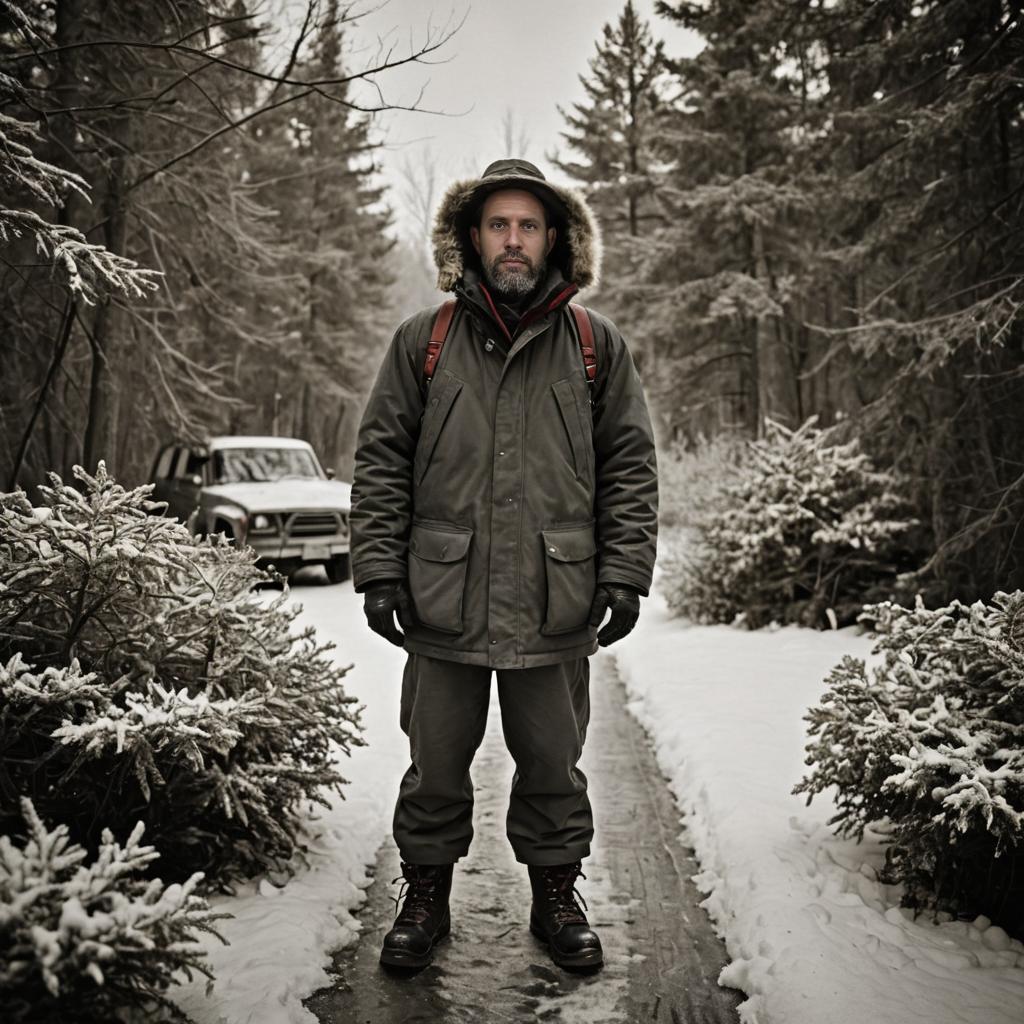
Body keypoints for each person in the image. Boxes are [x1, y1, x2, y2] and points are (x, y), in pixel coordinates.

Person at [350, 158, 658, 971]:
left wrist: (624, 573)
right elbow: (382, 459)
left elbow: (629, 464)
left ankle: (556, 898)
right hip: (442, 598)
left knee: (554, 765)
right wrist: (379, 572)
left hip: (556, 599)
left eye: (528, 225)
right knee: (435, 765)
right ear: (472, 238)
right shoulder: (424, 342)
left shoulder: (595, 346)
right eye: (498, 225)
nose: (513, 240)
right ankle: (425, 897)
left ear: (554, 237)